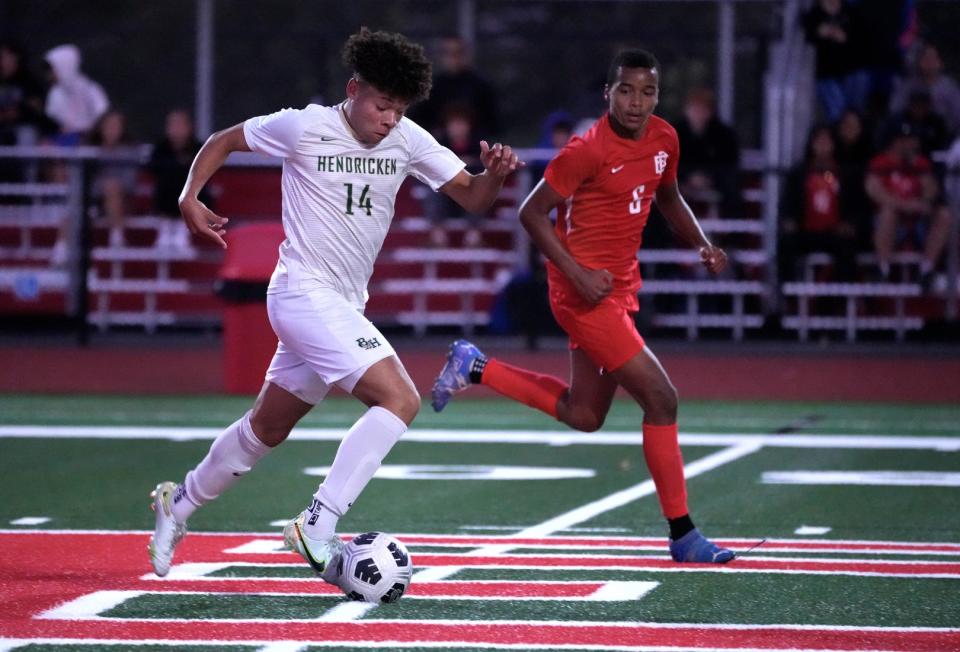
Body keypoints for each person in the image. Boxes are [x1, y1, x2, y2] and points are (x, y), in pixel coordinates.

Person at [148, 28, 521, 580]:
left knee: (264, 430)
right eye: (380, 106)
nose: (389, 119)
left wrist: (493, 177)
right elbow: (224, 140)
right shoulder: (305, 125)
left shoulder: (409, 139)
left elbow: (472, 198)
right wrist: (188, 196)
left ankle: (176, 505)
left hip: (342, 303)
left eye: (398, 109)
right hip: (301, 292)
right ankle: (317, 523)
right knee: (399, 398)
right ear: (353, 89)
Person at [432, 49, 734, 564]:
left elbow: (669, 196)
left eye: (647, 92)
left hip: (618, 288)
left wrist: (702, 243)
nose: (636, 102)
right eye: (626, 91)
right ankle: (683, 535)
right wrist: (575, 274)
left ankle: (475, 366)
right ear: (608, 94)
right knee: (662, 399)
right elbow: (531, 214)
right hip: (583, 295)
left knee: (586, 413)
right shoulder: (586, 149)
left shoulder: (665, 137)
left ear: (658, 95)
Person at [865, 118, 951, 289]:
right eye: (907, 139)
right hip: (890, 226)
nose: (913, 143)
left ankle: (926, 271)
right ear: (895, 141)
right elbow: (875, 191)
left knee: (944, 214)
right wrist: (905, 205)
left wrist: (924, 202)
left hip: (918, 224)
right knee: (888, 212)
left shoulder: (920, 164)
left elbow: (930, 190)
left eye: (913, 139)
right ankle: (882, 269)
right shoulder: (880, 163)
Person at [778, 125, 859, 283]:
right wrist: (789, 221)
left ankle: (838, 298)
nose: (823, 146)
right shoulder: (798, 173)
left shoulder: (845, 174)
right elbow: (787, 204)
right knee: (786, 242)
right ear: (812, 144)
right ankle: (785, 294)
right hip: (805, 230)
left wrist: (850, 223)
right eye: (819, 141)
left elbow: (854, 205)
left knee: (848, 245)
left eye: (827, 141)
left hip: (834, 232)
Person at [409, 35, 500, 140]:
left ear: (466, 55)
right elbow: (419, 120)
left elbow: (493, 122)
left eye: (457, 53)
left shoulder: (481, 87)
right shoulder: (431, 87)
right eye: (448, 53)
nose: (453, 58)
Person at [674, 88, 742, 219]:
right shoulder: (674, 132)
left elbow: (728, 162)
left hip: (715, 179)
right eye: (694, 108)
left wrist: (707, 178)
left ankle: (731, 234)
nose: (697, 114)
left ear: (710, 112)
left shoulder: (724, 134)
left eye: (702, 109)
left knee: (732, 188)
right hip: (682, 179)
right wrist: (688, 177)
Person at [802, 0, 870, 124]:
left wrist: (844, 38)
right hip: (826, 75)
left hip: (851, 71)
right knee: (837, 113)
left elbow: (863, 42)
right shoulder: (813, 15)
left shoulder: (852, 14)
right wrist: (820, 33)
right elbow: (809, 36)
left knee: (855, 105)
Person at [149, 108, 208, 250]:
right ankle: (165, 230)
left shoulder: (199, 148)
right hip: (166, 196)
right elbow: (153, 170)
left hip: (194, 196)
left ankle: (183, 231)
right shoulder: (160, 148)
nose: (176, 129)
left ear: (189, 127)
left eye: (180, 125)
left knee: (186, 183)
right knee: (169, 180)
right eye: (172, 125)